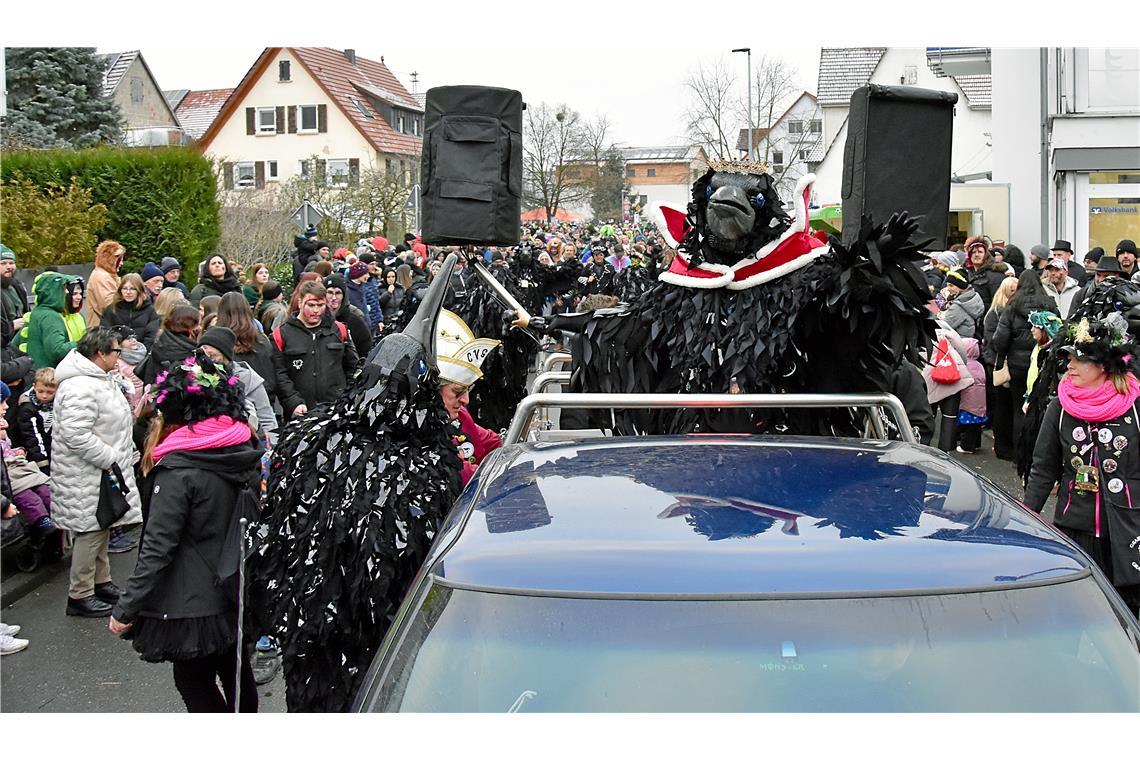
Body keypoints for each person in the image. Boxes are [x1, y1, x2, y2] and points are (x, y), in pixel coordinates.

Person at [108, 350, 262, 712]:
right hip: (236, 591)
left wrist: (126, 609)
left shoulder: (178, 471)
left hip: (193, 603)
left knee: (192, 681)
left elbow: (157, 548)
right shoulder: (243, 449)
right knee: (237, 671)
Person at [1023, 315, 1140, 616]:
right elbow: (1043, 469)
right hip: (1075, 526)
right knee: (1071, 613)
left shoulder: (1135, 406)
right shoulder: (1059, 407)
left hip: (1128, 529)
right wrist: (1025, 519)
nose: (1069, 366)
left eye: (1079, 360)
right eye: (1068, 359)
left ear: (1104, 366)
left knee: (1125, 616)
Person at [52, 328, 142, 617]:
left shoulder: (100, 379)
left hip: (102, 470)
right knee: (89, 531)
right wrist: (111, 458)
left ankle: (101, 583)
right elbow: (75, 434)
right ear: (100, 353)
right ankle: (80, 594)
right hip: (88, 473)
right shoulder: (79, 386)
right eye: (116, 351)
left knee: (102, 525)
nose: (119, 356)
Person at [992, 269, 1060, 461]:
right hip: (1044, 361)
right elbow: (1058, 330)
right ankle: (1037, 453)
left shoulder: (1013, 306)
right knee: (1041, 408)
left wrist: (1004, 355)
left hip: (1018, 365)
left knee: (1018, 408)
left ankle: (1019, 454)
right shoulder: (1050, 304)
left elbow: (1000, 339)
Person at [271, 281, 359, 419]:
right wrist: (293, 402)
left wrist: (347, 398)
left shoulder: (339, 330)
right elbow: (279, 375)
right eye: (311, 305)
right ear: (300, 303)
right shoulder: (281, 335)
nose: (316, 310)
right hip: (300, 411)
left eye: (320, 305)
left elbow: (353, 367)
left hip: (335, 409)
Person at [436, 311, 503, 485]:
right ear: (433, 392)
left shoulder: (461, 415)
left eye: (467, 390)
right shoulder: (421, 432)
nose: (465, 400)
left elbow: (493, 441)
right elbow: (465, 474)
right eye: (457, 392)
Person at [198, 327, 278, 448]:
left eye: (212, 355)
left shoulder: (248, 379)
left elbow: (267, 420)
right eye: (203, 354)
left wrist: (270, 451)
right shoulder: (194, 376)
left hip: (243, 448)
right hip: (203, 445)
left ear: (225, 356)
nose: (207, 360)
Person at [215, 292, 278, 411]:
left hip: (229, 405)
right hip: (263, 402)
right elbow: (271, 374)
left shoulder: (218, 344)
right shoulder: (262, 340)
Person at [982, 277, 1019, 460]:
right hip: (998, 365)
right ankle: (1002, 446)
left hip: (1008, 363)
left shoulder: (1014, 312)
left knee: (1009, 407)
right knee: (1002, 407)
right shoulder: (995, 313)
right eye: (1012, 290)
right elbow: (993, 341)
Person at [26, 272, 80, 369]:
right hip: (49, 377)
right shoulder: (50, 317)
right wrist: (83, 342)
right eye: (63, 288)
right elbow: (57, 351)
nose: (67, 292)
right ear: (53, 291)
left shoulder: (38, 311)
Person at [137, 304, 200, 386]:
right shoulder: (187, 351)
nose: (200, 327)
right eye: (198, 323)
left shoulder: (160, 342)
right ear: (189, 326)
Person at [101, 273, 160, 350]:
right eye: (125, 288)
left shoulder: (149, 310)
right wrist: (120, 343)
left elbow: (151, 336)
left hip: (141, 354)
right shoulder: (112, 309)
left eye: (132, 289)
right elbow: (105, 333)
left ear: (139, 290)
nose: (128, 292)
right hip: (116, 352)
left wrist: (140, 351)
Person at [15, 367, 56, 471]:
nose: (45, 396)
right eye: (40, 391)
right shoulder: (27, 407)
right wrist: (42, 461)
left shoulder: (59, 405)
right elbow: (31, 436)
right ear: (34, 387)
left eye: (50, 392)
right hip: (35, 457)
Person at [323, 274, 372, 358]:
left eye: (338, 293)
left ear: (343, 296)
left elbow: (365, 349)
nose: (334, 297)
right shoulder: (317, 319)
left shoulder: (355, 322)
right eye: (330, 293)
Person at [85, 240, 124, 327]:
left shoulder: (106, 275)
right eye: (118, 258)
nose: (121, 263)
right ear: (108, 258)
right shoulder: (102, 277)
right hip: (101, 331)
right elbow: (109, 306)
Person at [937, 268, 984, 340]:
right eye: (947, 285)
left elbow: (943, 326)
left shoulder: (958, 306)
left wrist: (940, 316)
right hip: (970, 341)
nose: (948, 288)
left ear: (961, 285)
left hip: (959, 343)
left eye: (951, 285)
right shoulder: (974, 296)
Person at [962, 236, 1007, 309]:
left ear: (986, 255)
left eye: (980, 252)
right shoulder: (966, 274)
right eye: (973, 252)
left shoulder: (996, 276)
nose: (976, 255)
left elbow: (999, 304)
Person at [1, 244, 29, 348]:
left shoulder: (18, 287)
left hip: (21, 344)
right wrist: (11, 326)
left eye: (11, 263)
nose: (9, 267)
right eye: (3, 263)